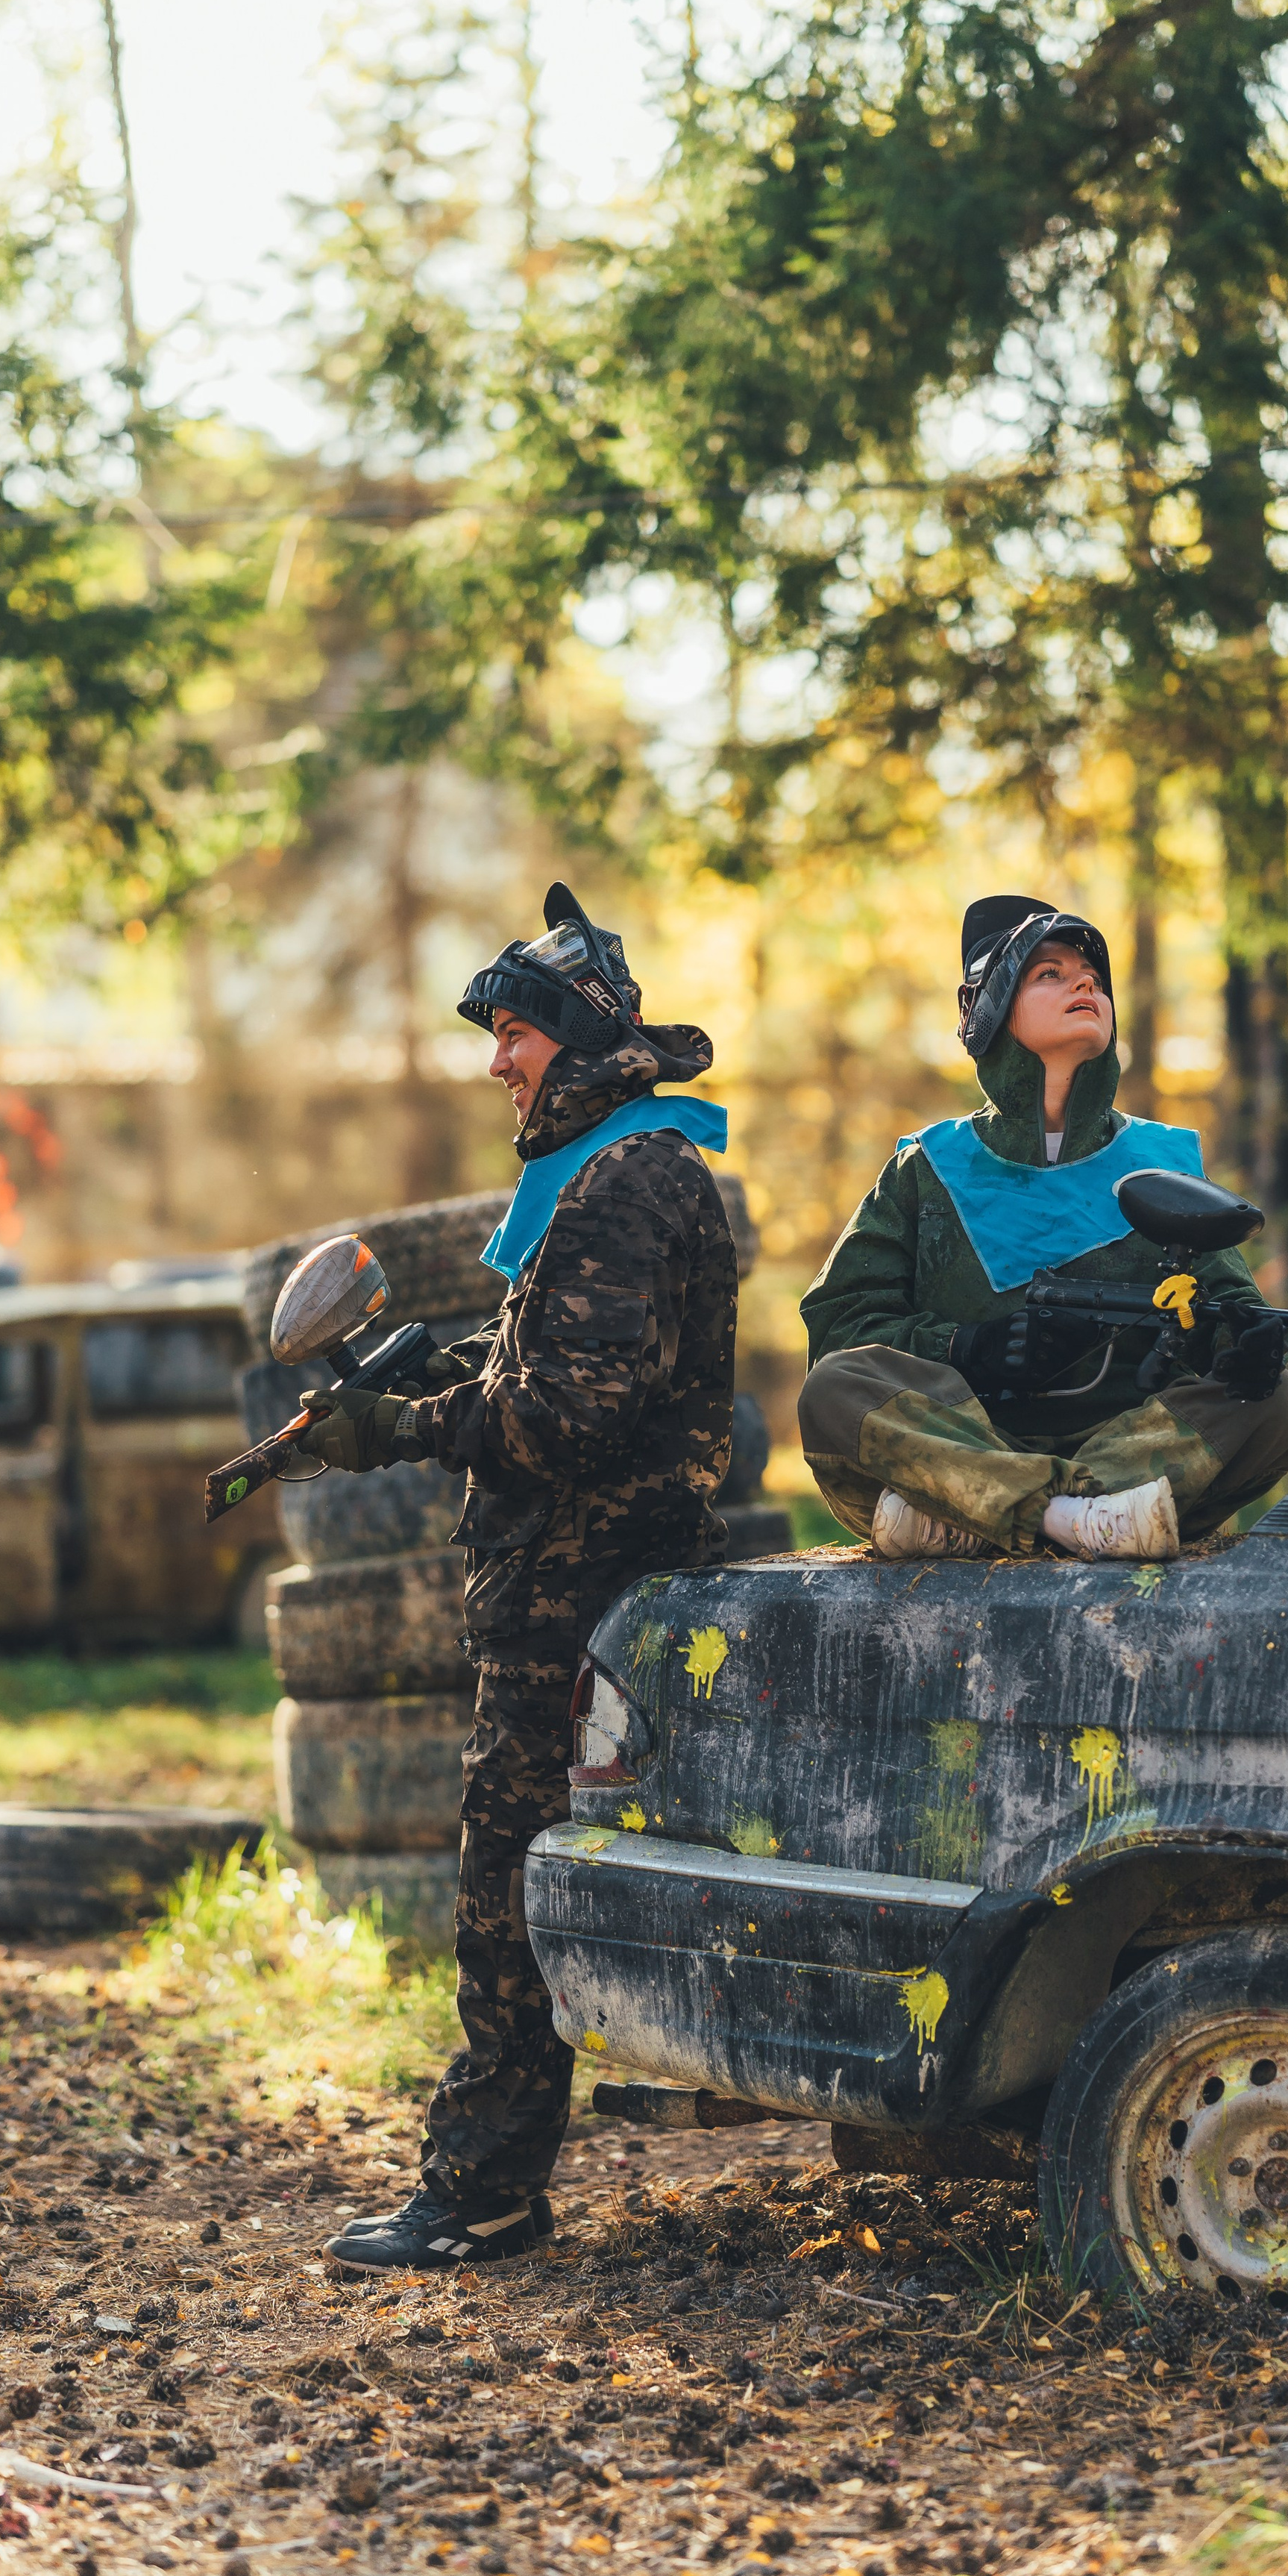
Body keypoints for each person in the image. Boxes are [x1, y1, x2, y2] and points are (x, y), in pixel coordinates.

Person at [289, 884, 738, 2270]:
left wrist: (400, 1430)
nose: (497, 1060)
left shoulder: (626, 1180)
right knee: (522, 1891)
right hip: (572, 1588)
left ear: (577, 1039)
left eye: (516, 1034)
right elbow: (553, 1379)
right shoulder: (617, 1171)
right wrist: (447, 1374)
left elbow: (569, 1421)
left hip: (577, 1596)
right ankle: (489, 2180)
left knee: (502, 1905)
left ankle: (480, 2195)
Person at [798, 894, 1288, 1561]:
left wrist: (1249, 1344)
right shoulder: (927, 1168)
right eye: (1050, 974)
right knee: (835, 1390)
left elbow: (1230, 1313)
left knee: (1280, 1407)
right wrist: (966, 1348)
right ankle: (1073, 1519)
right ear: (989, 1012)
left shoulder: (1161, 1164)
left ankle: (990, 1518)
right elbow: (839, 1325)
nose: (1084, 984)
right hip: (966, 1443)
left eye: (1092, 979)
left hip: (1127, 1454)